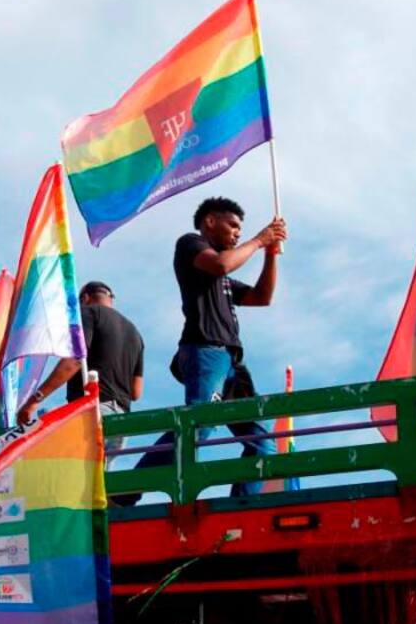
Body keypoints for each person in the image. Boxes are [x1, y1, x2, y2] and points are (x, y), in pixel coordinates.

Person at [134, 197, 287, 497]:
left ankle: (242, 507)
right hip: (205, 349)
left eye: (241, 229)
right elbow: (219, 265)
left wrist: (270, 253)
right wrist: (259, 240)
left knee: (263, 442)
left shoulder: (225, 278)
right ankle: (126, 493)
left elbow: (261, 297)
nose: (237, 233)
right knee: (199, 424)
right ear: (210, 222)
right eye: (232, 225)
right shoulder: (190, 244)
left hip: (231, 360)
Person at [17, 281, 144, 457]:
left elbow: (74, 362)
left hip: (93, 410)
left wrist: (35, 399)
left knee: (54, 461)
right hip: (120, 420)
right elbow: (136, 392)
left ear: (85, 298)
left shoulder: (88, 313)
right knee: (98, 479)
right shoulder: (135, 333)